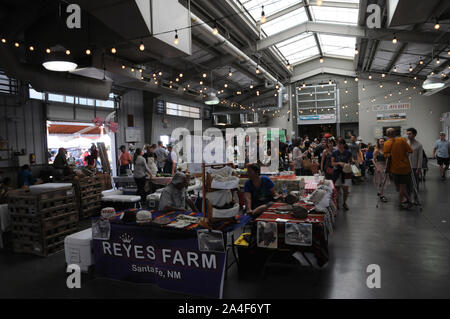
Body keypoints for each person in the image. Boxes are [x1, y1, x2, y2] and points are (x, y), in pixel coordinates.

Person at [384, 128, 413, 209]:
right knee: (402, 187)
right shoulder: (402, 140)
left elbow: (386, 156)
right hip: (404, 168)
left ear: (387, 135)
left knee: (398, 187)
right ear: (395, 133)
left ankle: (408, 200)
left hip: (394, 169)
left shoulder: (386, 144)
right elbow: (410, 151)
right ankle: (402, 203)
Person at [331, 139, 353, 210]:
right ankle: (336, 203)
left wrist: (349, 163)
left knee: (345, 189)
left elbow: (351, 161)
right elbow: (332, 163)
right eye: (338, 144)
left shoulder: (348, 152)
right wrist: (339, 163)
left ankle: (344, 203)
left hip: (346, 172)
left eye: (340, 144)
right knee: (337, 188)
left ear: (343, 144)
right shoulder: (334, 152)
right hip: (337, 172)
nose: (339, 145)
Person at [406, 128, 423, 199]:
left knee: (415, 184)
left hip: (415, 167)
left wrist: (419, 168)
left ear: (414, 134)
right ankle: (408, 198)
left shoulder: (419, 145)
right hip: (406, 167)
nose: (408, 135)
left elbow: (420, 157)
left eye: (410, 134)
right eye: (407, 134)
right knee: (407, 184)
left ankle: (416, 199)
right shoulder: (406, 143)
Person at [373, 138, 389, 202]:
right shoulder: (377, 150)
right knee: (381, 181)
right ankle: (382, 195)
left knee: (384, 180)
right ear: (378, 142)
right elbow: (373, 160)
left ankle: (380, 191)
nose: (382, 142)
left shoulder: (386, 150)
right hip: (379, 166)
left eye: (383, 141)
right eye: (381, 141)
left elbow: (388, 158)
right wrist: (377, 167)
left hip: (385, 165)